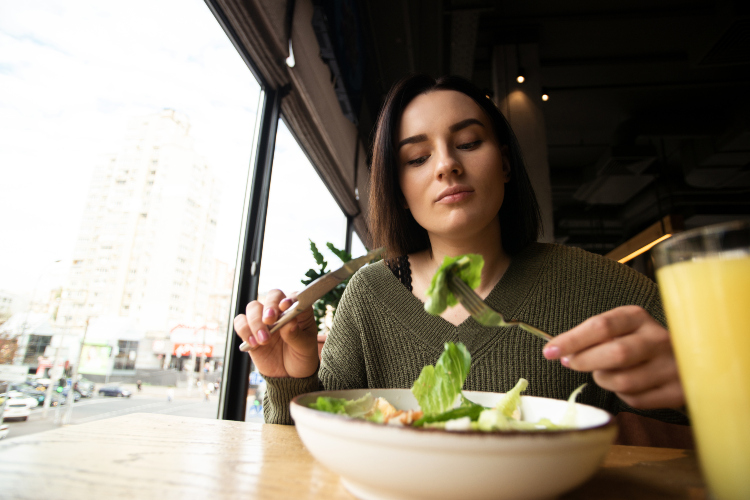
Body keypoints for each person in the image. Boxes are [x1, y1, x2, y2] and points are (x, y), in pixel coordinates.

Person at [234, 74, 687, 427]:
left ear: (505, 164)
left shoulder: (604, 289)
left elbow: (697, 438)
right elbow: (311, 459)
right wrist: (288, 378)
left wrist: (698, 383)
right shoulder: (367, 298)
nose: (447, 164)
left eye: (468, 143)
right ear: (399, 187)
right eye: (417, 158)